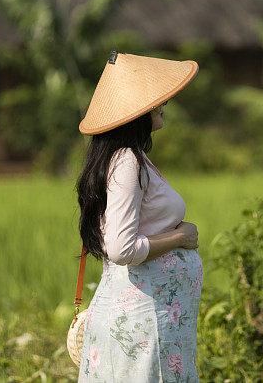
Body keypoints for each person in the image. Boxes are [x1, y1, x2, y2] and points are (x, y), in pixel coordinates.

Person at [75, 51, 204, 382]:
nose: (162, 106)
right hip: (143, 327)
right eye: (155, 102)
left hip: (154, 325)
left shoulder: (131, 159)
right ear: (137, 113)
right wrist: (181, 237)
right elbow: (121, 248)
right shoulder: (126, 161)